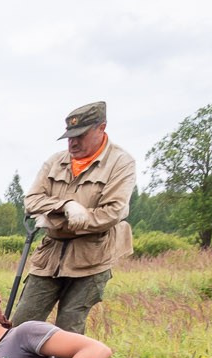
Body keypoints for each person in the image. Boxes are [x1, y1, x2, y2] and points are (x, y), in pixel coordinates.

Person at [17, 102, 137, 335]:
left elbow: (113, 212)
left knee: (69, 329)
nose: (73, 143)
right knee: (21, 325)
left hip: (92, 258)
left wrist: (55, 220)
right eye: (70, 137)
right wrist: (66, 206)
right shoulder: (55, 161)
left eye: (80, 136)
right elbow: (31, 201)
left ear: (101, 128)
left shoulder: (121, 163)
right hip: (49, 257)